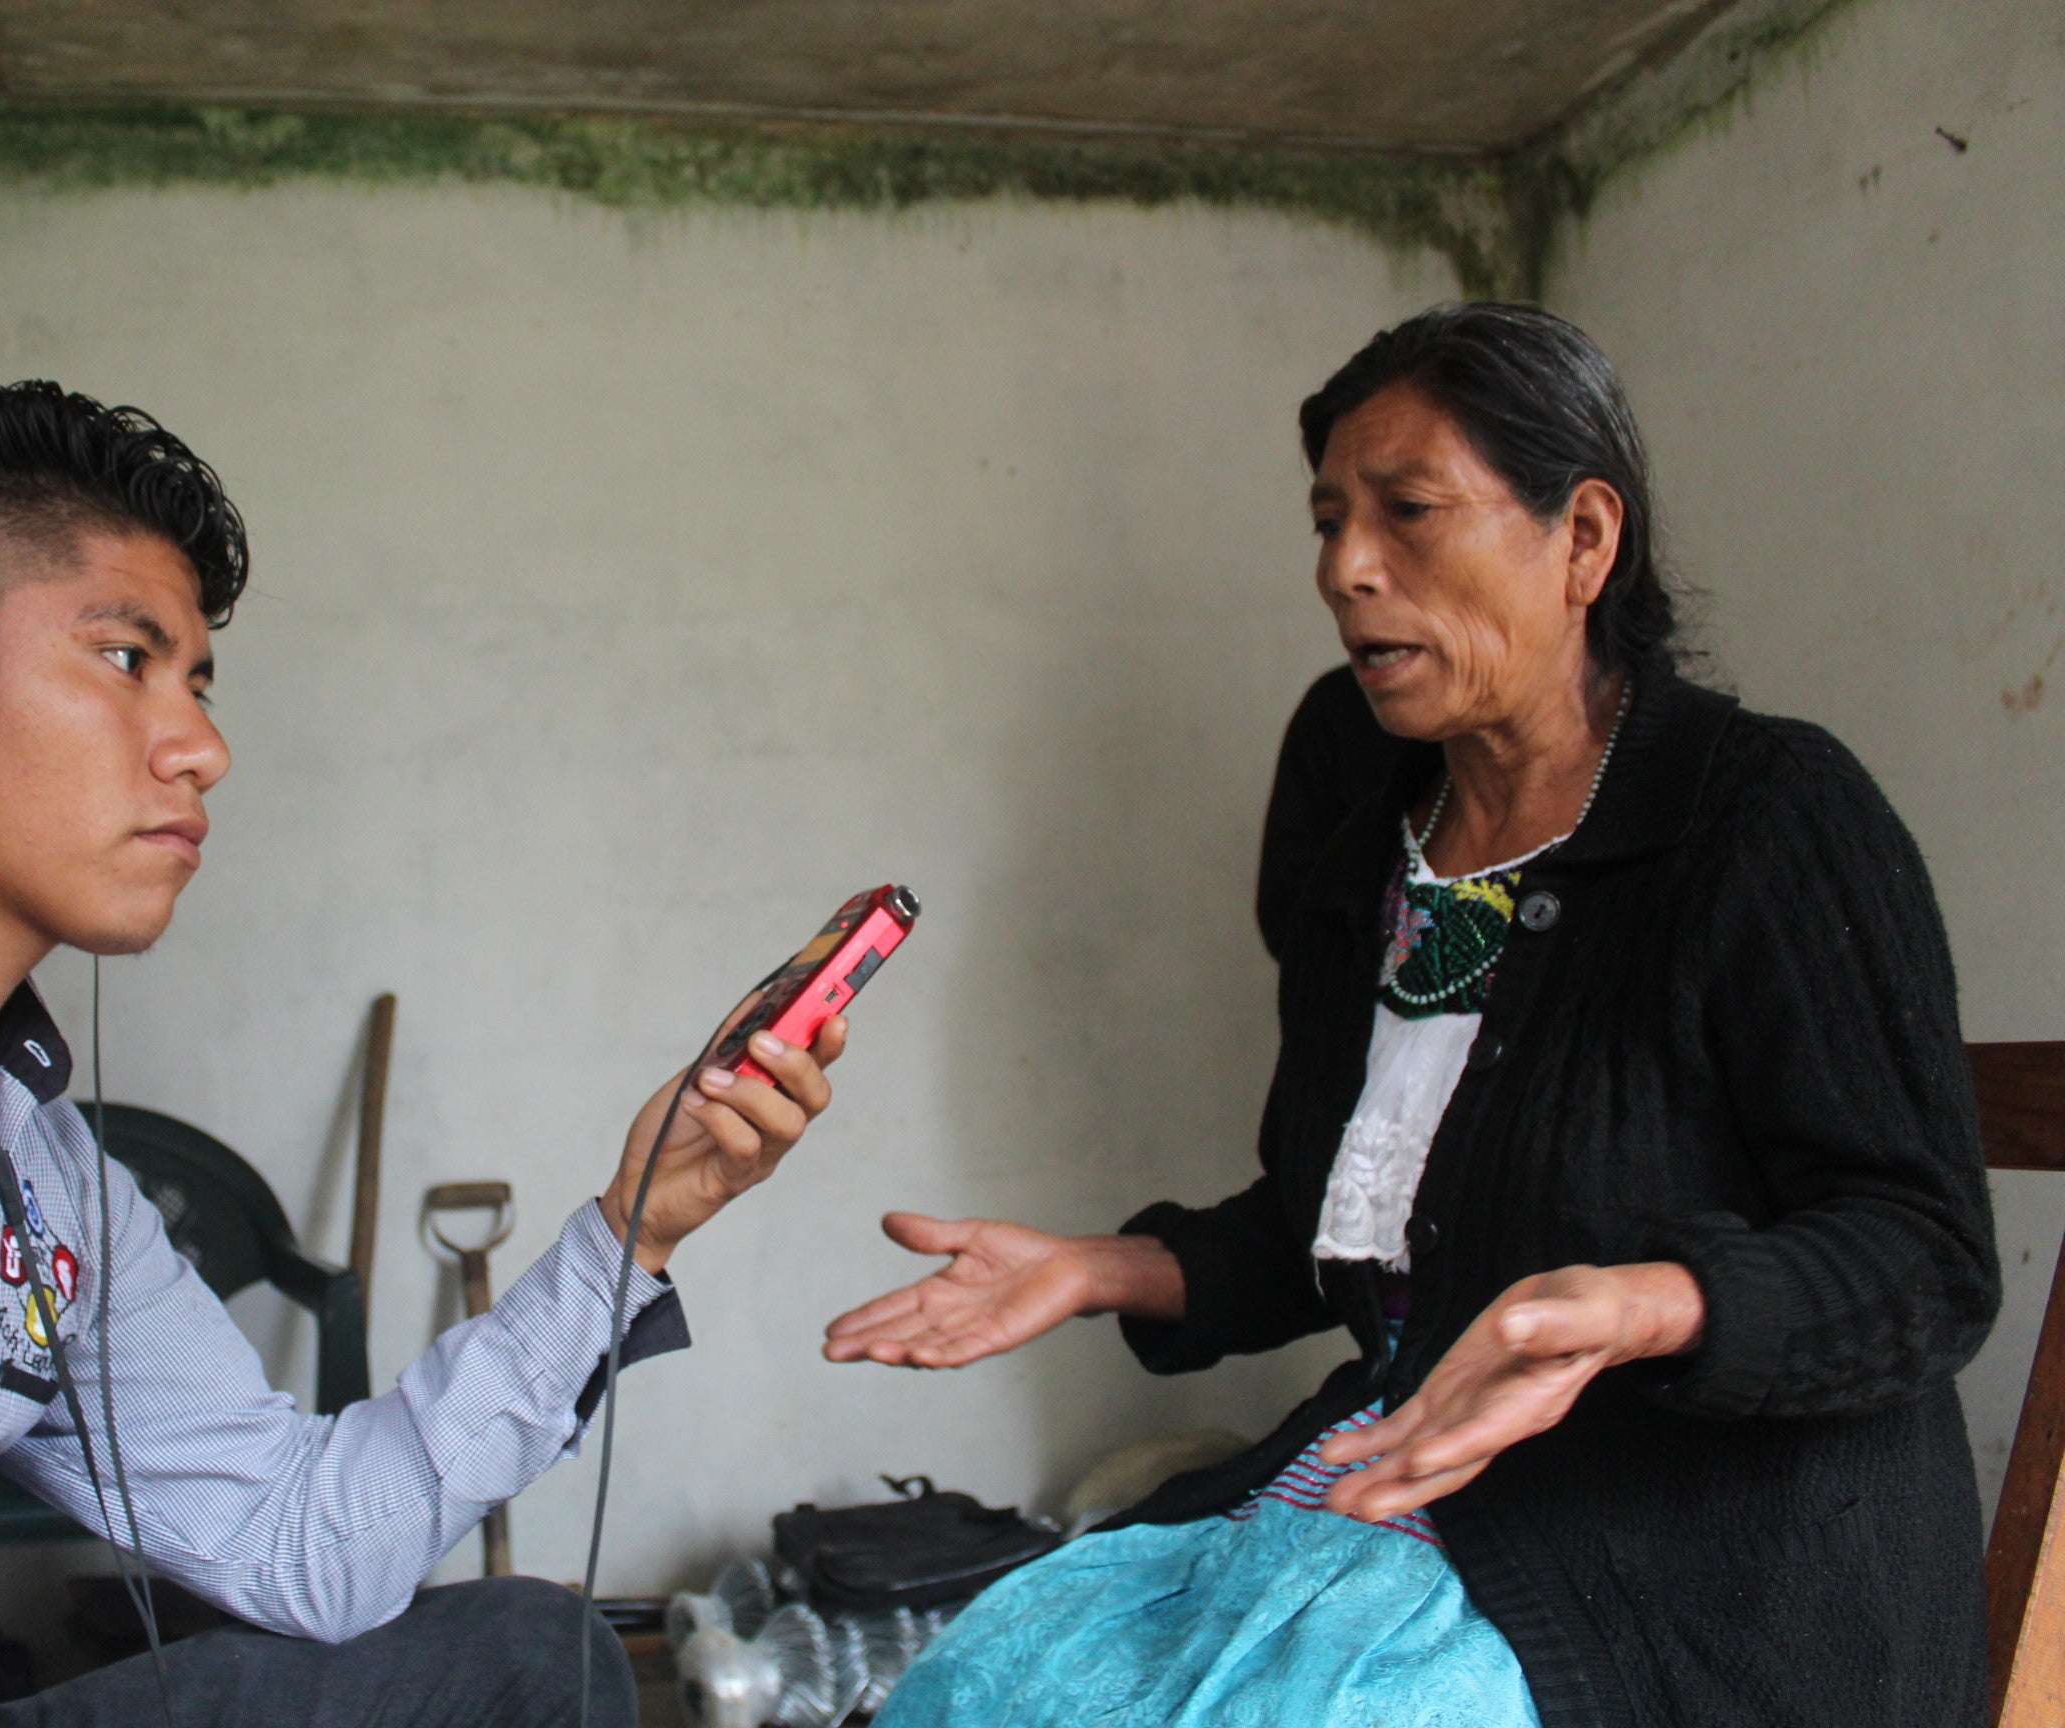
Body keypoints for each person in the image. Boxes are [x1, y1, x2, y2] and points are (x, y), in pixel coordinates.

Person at [0, 383, 848, 1728]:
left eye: (197, 682)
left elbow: (301, 1541)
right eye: (127, 659)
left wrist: (633, 1229)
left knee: (530, 1656)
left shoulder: (42, 1165)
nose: (204, 748)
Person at [827, 303, 1999, 1727]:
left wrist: (1642, 1304)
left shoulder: (1766, 818)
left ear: (1582, 540)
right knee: (978, 1695)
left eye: (1409, 513)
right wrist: (1093, 1269)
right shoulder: (1367, 853)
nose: (1345, 569)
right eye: (1326, 521)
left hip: (1705, 1556)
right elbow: (1334, 1222)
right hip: (1415, 1484)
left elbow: (1924, 1258)